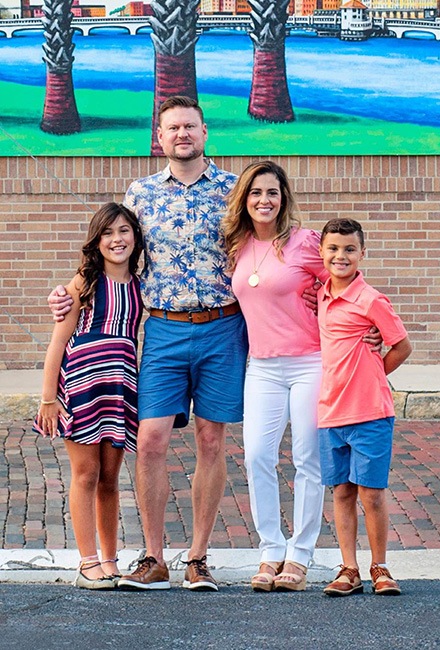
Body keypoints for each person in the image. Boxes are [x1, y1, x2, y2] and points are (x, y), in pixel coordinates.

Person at [48, 96, 249, 591]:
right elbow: (110, 250)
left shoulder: (232, 191)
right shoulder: (140, 194)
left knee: (210, 439)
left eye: (190, 126)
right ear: (159, 138)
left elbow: (266, 246)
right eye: (172, 128)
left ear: (205, 133)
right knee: (151, 440)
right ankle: (154, 557)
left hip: (223, 327)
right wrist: (69, 289)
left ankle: (198, 557)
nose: (182, 134)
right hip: (161, 331)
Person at [223, 161, 328, 592]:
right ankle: (270, 549)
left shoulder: (306, 242)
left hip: (310, 363)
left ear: (283, 198)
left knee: (308, 459)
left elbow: (342, 285)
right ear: (244, 200)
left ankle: (300, 555)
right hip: (262, 366)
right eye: (255, 193)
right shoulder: (237, 245)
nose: (264, 200)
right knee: (257, 457)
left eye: (272, 192)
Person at [34, 202, 143, 590]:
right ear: (96, 241)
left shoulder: (139, 284)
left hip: (120, 388)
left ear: (135, 236)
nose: (117, 240)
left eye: (124, 231)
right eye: (108, 233)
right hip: (82, 386)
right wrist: (50, 398)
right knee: (86, 473)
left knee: (112, 478)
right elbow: (58, 341)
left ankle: (111, 559)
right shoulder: (83, 282)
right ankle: (87, 561)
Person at [317, 218, 412, 597]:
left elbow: (402, 346)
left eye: (350, 249)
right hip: (330, 413)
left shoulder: (371, 299)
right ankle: (349, 568)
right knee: (341, 492)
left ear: (362, 254)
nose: (341, 256)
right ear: (322, 252)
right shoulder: (321, 294)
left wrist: (374, 372)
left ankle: (380, 566)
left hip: (370, 413)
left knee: (371, 492)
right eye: (333, 249)